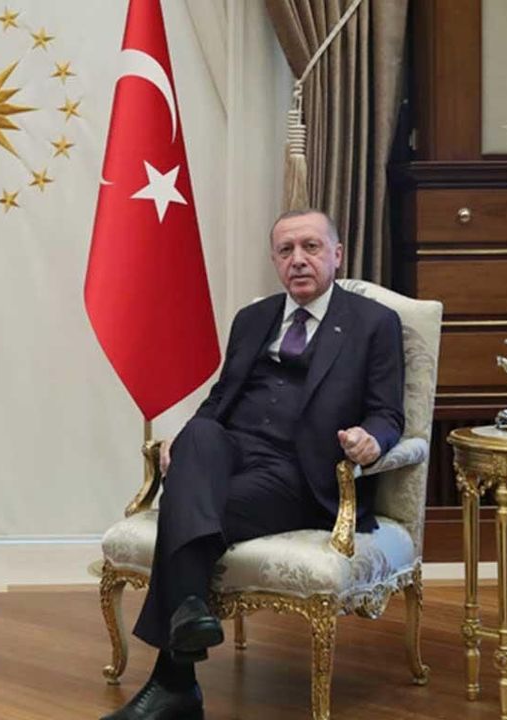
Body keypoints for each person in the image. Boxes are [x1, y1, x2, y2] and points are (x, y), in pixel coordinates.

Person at [102, 209, 405, 720]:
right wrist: (186, 441)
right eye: (286, 250)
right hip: (234, 452)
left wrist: (371, 439)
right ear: (274, 260)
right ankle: (187, 627)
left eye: (311, 247)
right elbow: (221, 398)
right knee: (199, 433)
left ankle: (175, 682)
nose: (298, 260)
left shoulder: (373, 323)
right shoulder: (253, 318)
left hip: (299, 473)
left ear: (337, 255)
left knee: (185, 508)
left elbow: (388, 412)